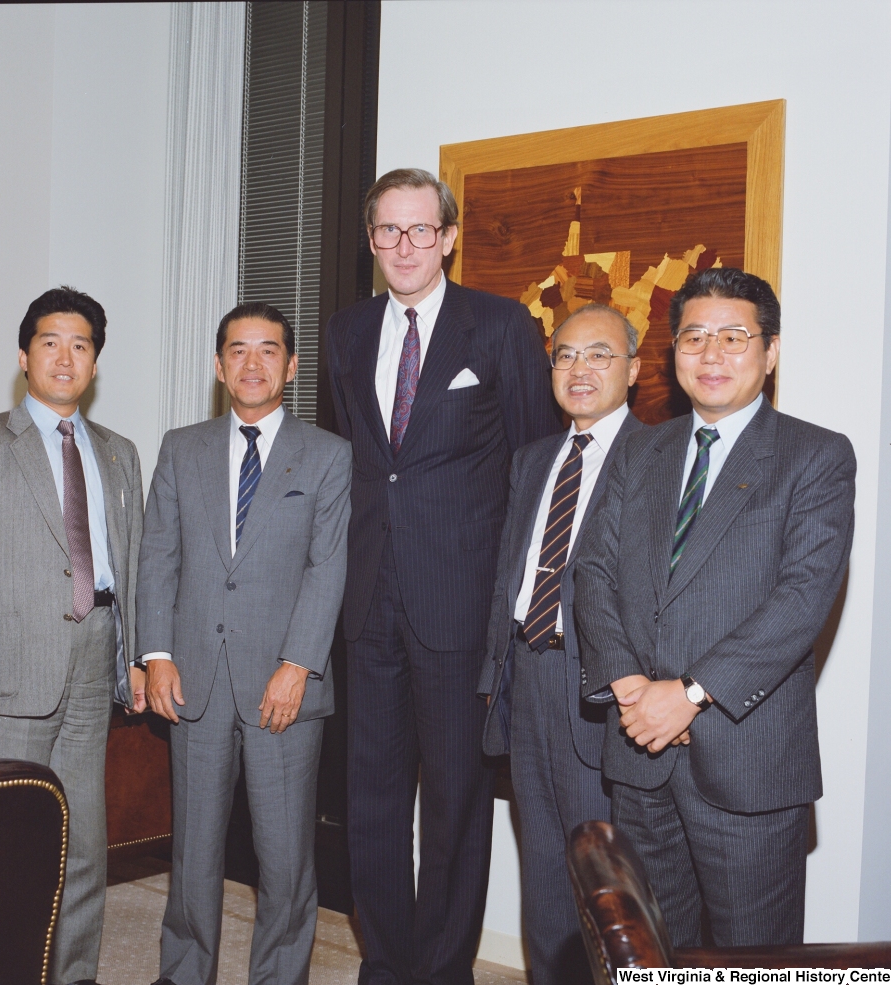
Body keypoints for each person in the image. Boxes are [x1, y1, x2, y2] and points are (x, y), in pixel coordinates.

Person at [574, 267, 856, 947]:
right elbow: (593, 572)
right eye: (695, 338)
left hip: (748, 763)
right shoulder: (639, 448)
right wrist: (630, 685)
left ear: (771, 350)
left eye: (734, 337)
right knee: (654, 948)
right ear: (673, 354)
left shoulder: (815, 456)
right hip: (640, 752)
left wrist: (690, 694)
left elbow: (800, 600)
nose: (712, 354)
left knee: (747, 958)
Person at [326, 168, 560, 985]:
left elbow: (535, 468)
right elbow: (365, 467)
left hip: (462, 607)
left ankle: (443, 971)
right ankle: (387, 965)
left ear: (449, 236)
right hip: (370, 602)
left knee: (457, 805)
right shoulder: (347, 331)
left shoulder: (498, 327)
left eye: (421, 229)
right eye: (388, 231)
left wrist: (516, 610)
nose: (405, 246)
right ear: (371, 240)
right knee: (373, 802)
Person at [0, 286, 146, 985]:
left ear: (94, 363)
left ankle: (73, 973)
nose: (66, 355)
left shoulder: (119, 453)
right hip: (12, 668)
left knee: (83, 841)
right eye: (51, 341)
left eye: (81, 344)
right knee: (5, 840)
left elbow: (133, 562)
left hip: (94, 658)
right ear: (25, 355)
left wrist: (137, 654)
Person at [137, 302, 352, 985]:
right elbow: (158, 557)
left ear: (290, 365)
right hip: (194, 678)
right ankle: (184, 970)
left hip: (282, 685)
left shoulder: (327, 455)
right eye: (238, 349)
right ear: (218, 364)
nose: (252, 362)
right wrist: (157, 653)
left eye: (268, 350)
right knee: (193, 849)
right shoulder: (181, 447)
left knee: (284, 856)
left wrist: (299, 664)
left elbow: (328, 566)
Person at [478, 304, 646, 983]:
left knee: (607, 886)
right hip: (529, 682)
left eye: (599, 355)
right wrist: (496, 674)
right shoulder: (533, 458)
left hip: (600, 695)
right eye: (566, 356)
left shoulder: (657, 457)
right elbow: (509, 573)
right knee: (545, 873)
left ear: (633, 369)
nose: (580, 370)